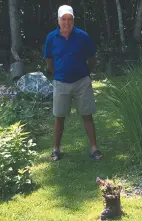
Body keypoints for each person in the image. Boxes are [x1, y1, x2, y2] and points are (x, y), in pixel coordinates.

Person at [43, 5, 103, 161]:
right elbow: (49, 60)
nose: (67, 22)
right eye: (63, 19)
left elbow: (92, 58)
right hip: (61, 82)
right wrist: (56, 73)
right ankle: (56, 149)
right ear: (58, 20)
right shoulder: (51, 38)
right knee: (59, 116)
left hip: (82, 81)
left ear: (73, 20)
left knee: (87, 115)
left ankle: (94, 149)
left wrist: (86, 73)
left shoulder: (83, 36)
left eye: (69, 19)